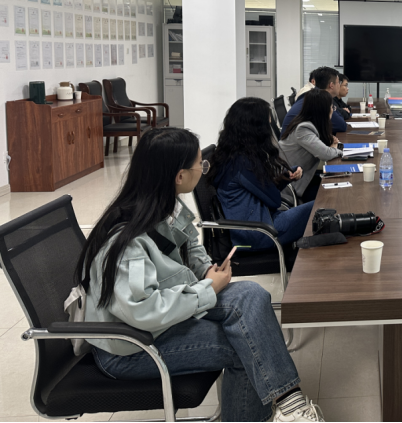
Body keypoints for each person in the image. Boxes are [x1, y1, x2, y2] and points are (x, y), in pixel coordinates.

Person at [73, 127, 322, 422]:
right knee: (245, 344)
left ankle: (289, 404)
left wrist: (205, 270)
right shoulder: (126, 241)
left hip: (163, 319)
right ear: (179, 176)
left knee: (252, 293)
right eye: (199, 165)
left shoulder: (162, 205)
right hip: (131, 346)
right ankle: (286, 407)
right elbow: (143, 311)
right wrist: (207, 290)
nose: (203, 170)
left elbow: (190, 242)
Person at [209, 97, 315, 251]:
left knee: (320, 211)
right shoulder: (243, 163)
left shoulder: (230, 155)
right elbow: (274, 200)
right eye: (268, 124)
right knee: (320, 207)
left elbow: (262, 191)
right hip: (260, 234)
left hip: (257, 227)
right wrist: (279, 180)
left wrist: (284, 178)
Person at [279, 89, 343, 203]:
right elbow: (325, 154)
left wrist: (331, 145)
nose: (332, 110)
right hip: (293, 186)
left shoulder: (308, 124)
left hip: (306, 177)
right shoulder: (303, 128)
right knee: (335, 196)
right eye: (331, 107)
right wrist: (337, 149)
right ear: (323, 110)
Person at [282, 66, 346, 135]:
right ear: (331, 85)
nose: (339, 85)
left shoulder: (313, 95)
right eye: (339, 82)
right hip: (296, 140)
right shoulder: (319, 99)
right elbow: (341, 125)